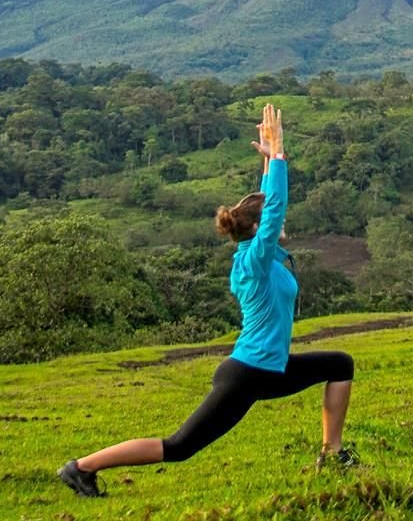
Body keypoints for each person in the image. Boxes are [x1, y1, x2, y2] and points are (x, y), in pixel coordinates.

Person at [58, 104, 357, 498]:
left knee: (340, 364)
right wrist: (280, 155)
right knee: (179, 447)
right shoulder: (254, 261)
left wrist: (268, 163)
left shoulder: (259, 256)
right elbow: (272, 213)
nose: (283, 223)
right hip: (248, 374)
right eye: (272, 221)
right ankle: (81, 467)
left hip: (270, 368)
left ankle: (332, 453)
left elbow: (265, 209)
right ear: (256, 229)